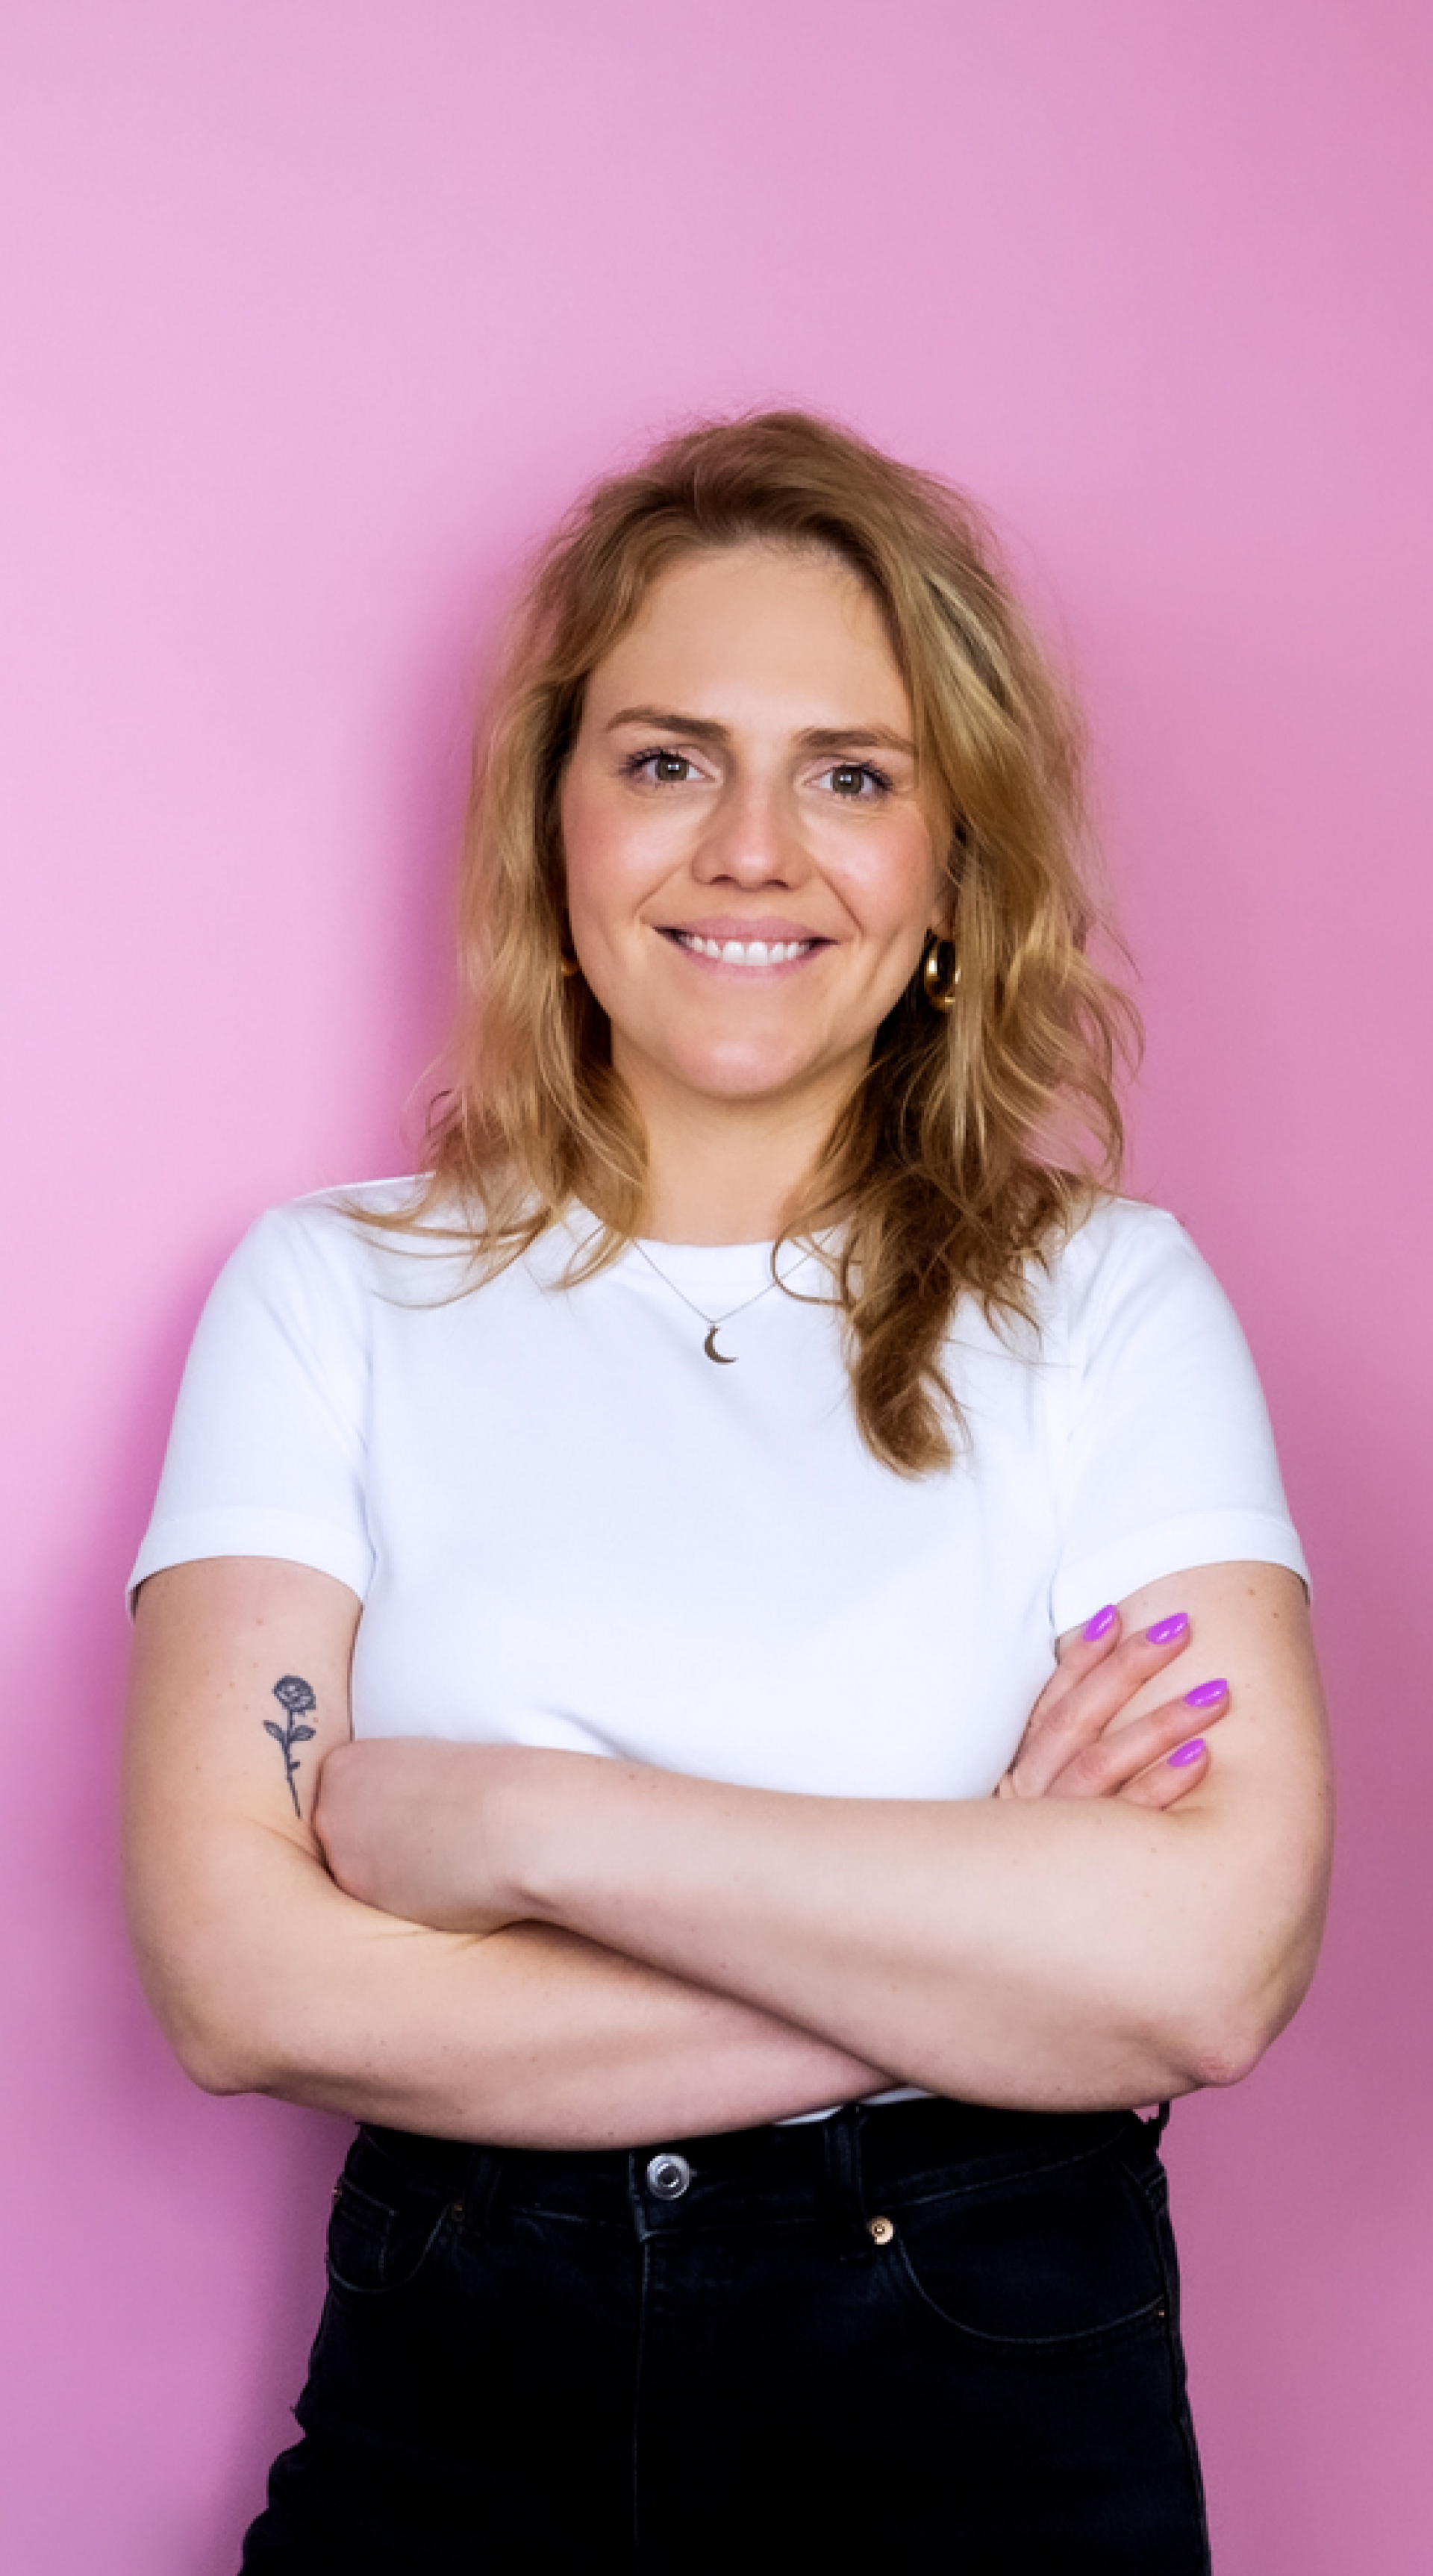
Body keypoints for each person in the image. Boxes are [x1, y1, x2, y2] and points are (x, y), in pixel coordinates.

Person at [122, 410, 1331, 2572]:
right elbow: (242, 1983)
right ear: (555, 823)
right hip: (457, 2386)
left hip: (991, 2389)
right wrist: (983, 1936)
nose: (753, 851)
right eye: (671, 759)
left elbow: (1214, 1966)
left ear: (950, 865)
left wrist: (523, 1828)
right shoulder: (331, 1290)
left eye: (851, 775)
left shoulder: (1109, 1298)